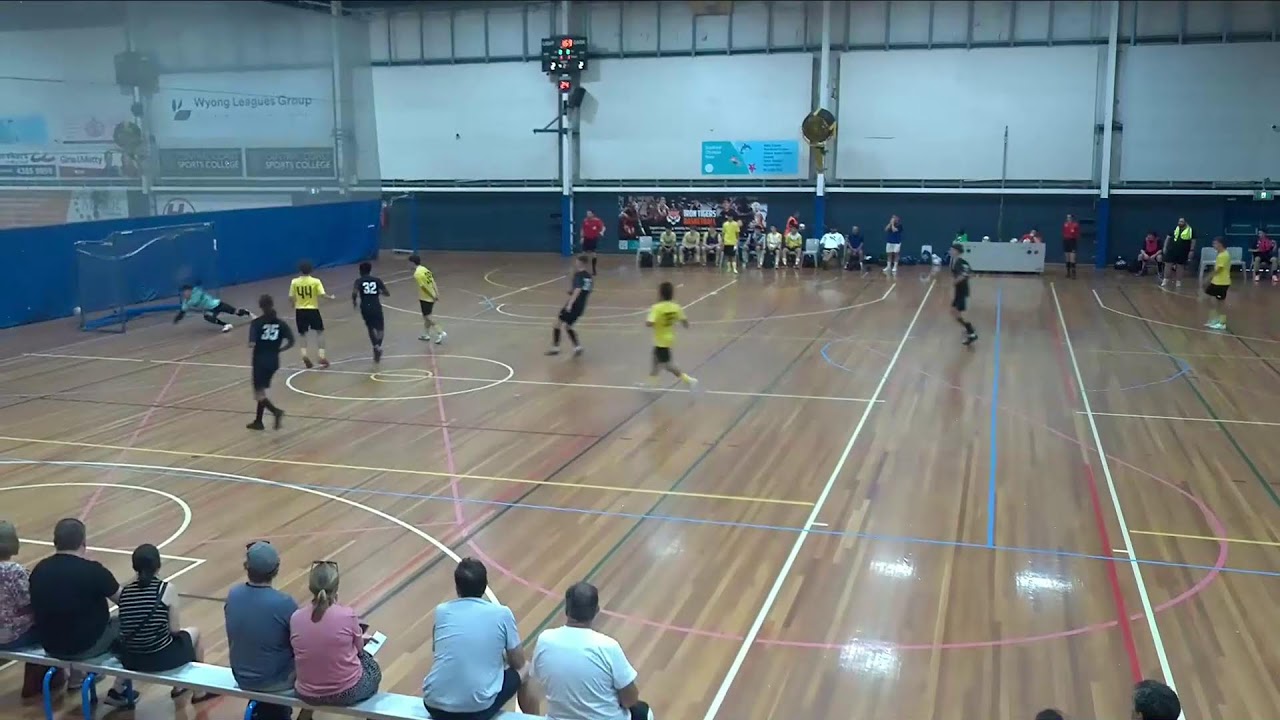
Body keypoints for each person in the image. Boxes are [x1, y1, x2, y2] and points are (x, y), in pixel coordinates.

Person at [28, 518, 136, 707]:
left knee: (69, 620)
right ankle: (118, 690)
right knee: (129, 623)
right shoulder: (93, 571)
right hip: (85, 646)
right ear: (83, 542)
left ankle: (76, 678)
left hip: (50, 644)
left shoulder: (39, 569)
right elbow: (126, 603)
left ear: (55, 542)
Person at [422, 559, 537, 720]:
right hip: (476, 711)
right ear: (485, 586)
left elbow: (439, 650)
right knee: (526, 669)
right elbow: (518, 662)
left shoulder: (442, 611)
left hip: (433, 704)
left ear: (457, 587)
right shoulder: (502, 613)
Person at [531, 582, 652, 720]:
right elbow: (630, 699)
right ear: (596, 611)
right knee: (644, 712)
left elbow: (536, 683)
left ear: (566, 609)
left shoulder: (544, 640)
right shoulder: (608, 647)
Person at [115, 544, 215, 702]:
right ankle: (198, 691)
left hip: (132, 658)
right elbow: (174, 629)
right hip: (159, 658)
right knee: (193, 633)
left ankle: (180, 686)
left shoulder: (126, 591)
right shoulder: (166, 589)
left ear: (134, 567)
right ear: (158, 565)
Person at [290, 561, 381, 710]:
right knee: (372, 667)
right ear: (336, 589)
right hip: (346, 692)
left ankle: (306, 714)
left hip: (306, 693)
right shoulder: (347, 614)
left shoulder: (296, 617)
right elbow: (359, 652)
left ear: (310, 588)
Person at [226, 542, 299, 720]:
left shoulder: (233, 594)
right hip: (275, 681)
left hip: (241, 676)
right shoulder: (284, 603)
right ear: (276, 569)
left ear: (246, 567)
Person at [0, 521, 65, 698]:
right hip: (11, 637)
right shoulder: (14, 572)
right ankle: (51, 678)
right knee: (53, 624)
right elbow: (28, 602)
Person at [247, 295, 294, 431]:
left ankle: (276, 412)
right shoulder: (281, 324)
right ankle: (258, 421)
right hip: (273, 362)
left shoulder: (257, 323)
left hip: (260, 361)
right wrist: (279, 349)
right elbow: (291, 342)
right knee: (261, 390)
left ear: (260, 306)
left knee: (258, 394)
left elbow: (251, 343)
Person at [646, 281, 697, 390]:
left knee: (668, 365)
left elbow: (649, 323)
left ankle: (688, 380)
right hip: (669, 338)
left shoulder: (657, 307)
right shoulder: (676, 307)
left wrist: (653, 322)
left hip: (661, 341)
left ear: (660, 294)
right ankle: (652, 382)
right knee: (655, 360)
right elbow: (685, 322)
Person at [289, 261, 334, 369]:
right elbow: (322, 294)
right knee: (320, 332)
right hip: (313, 309)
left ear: (300, 270)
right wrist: (331, 297)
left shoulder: (294, 282)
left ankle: (304, 355)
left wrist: (293, 304)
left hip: (300, 310)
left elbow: (291, 297)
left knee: (302, 334)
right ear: (311, 270)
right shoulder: (315, 281)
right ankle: (321, 355)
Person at [547, 255, 593, 357]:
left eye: (577, 262)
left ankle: (555, 348)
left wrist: (570, 304)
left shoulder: (579, 275)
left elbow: (578, 289)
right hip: (581, 305)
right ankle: (577, 347)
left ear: (580, 263)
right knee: (568, 326)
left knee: (556, 324)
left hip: (574, 304)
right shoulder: (589, 277)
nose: (575, 263)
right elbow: (585, 290)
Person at [173, 284, 253, 333]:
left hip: (217, 304)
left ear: (190, 291)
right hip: (210, 310)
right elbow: (182, 311)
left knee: (237, 312)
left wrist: (189, 305)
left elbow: (195, 301)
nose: (185, 294)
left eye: (186, 292)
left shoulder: (197, 291)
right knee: (207, 317)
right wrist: (177, 318)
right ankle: (226, 325)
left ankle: (248, 313)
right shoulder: (186, 302)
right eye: (183, 293)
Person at [351, 262, 390, 362]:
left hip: (365, 306)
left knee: (370, 327)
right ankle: (378, 346)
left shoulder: (359, 281)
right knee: (380, 328)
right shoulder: (377, 280)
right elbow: (387, 293)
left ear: (360, 271)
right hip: (376, 305)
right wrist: (380, 292)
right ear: (370, 270)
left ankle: (376, 346)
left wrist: (354, 302)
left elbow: (354, 293)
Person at [411, 253, 446, 344]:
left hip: (426, 298)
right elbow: (433, 281)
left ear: (412, 263)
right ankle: (426, 334)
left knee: (428, 317)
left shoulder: (417, 274)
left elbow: (423, 287)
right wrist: (436, 293)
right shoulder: (425, 269)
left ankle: (440, 332)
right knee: (425, 317)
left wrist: (432, 296)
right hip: (431, 295)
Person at [949, 243, 978, 346]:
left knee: (957, 312)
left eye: (952, 249)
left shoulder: (959, 263)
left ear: (957, 251)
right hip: (960, 290)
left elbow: (965, 274)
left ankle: (971, 333)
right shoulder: (960, 262)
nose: (950, 251)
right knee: (953, 311)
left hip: (961, 291)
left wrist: (955, 281)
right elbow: (971, 274)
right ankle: (968, 328)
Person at [1204, 236, 1231, 330]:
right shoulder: (1220, 254)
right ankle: (1215, 319)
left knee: (1220, 303)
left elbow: (1219, 270)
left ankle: (1222, 323)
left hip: (1222, 283)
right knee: (1210, 299)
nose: (1213, 245)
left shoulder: (1224, 255)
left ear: (1220, 244)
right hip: (1216, 282)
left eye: (1215, 243)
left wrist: (1208, 277)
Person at [1162, 217, 1194, 288]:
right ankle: (1165, 279)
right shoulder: (1174, 229)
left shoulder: (1190, 231)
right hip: (1171, 250)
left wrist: (1191, 250)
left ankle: (1178, 281)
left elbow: (1193, 241)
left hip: (1183, 251)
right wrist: (1165, 247)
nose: (1180, 223)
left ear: (1185, 222)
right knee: (1168, 265)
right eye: (1179, 221)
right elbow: (1168, 238)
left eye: (1182, 221)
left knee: (1180, 266)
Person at [581, 210, 604, 275]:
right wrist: (582, 237)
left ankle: (594, 269)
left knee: (593, 254)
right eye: (587, 213)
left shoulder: (597, 221)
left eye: (589, 213)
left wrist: (602, 231)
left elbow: (603, 227)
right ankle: (583, 269)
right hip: (586, 238)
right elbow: (582, 229)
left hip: (593, 239)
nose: (588, 215)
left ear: (592, 214)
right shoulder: (585, 221)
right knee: (583, 253)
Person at [1062, 213, 1081, 278]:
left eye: (1069, 217)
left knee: (1072, 258)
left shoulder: (1075, 225)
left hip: (1072, 242)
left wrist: (1073, 235)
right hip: (1066, 242)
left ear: (1072, 218)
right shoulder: (1065, 224)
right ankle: (1068, 273)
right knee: (1067, 258)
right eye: (1067, 217)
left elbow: (1077, 234)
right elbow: (1064, 233)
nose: (1068, 218)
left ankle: (1073, 273)